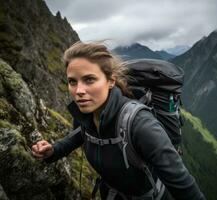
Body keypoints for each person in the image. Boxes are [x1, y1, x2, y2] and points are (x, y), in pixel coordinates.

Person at [31, 41, 205, 200]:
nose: (79, 91)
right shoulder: (86, 115)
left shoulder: (140, 124)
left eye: (89, 79)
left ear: (110, 81)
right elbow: (78, 136)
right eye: (72, 81)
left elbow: (183, 184)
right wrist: (53, 151)